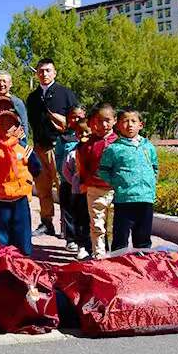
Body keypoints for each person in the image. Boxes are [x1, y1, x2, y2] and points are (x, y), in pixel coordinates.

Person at [0, 110, 41, 256]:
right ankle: (2, 262)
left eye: (10, 123)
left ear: (17, 127)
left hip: (19, 198)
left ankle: (22, 262)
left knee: (21, 233)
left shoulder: (24, 149)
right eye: (1, 123)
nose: (5, 126)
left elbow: (36, 167)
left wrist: (27, 182)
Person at [25, 58, 79, 236]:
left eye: (48, 70)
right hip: (40, 148)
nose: (44, 74)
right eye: (41, 71)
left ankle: (67, 228)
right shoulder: (32, 98)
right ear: (36, 74)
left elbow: (77, 119)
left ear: (54, 73)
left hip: (60, 147)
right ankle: (46, 223)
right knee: (43, 189)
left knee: (64, 188)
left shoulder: (65, 93)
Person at [99, 108, 158, 252]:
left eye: (133, 121)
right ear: (118, 125)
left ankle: (142, 262)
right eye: (125, 121)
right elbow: (103, 170)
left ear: (141, 125)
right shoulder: (113, 148)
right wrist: (117, 183)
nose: (130, 125)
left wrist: (150, 185)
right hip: (124, 199)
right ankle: (118, 264)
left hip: (145, 199)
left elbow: (155, 168)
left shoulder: (148, 147)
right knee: (120, 238)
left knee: (143, 238)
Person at [77, 103, 118, 259]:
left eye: (107, 120)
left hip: (115, 191)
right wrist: (84, 182)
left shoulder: (119, 143)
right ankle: (98, 256)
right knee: (97, 225)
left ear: (115, 120)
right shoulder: (88, 144)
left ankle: (113, 256)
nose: (103, 124)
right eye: (99, 121)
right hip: (95, 190)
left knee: (113, 226)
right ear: (93, 122)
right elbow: (82, 166)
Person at [54, 106, 86, 253]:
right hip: (68, 181)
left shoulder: (90, 134)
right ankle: (71, 239)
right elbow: (59, 159)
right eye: (73, 116)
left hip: (86, 183)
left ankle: (85, 241)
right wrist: (68, 177)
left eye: (80, 116)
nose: (76, 119)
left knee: (83, 213)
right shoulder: (63, 138)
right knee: (68, 211)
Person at [61, 117, 92, 259]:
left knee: (95, 220)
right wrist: (75, 182)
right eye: (80, 132)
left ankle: (96, 246)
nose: (84, 135)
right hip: (78, 192)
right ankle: (82, 246)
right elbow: (66, 170)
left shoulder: (97, 150)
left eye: (87, 132)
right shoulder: (73, 152)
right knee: (80, 219)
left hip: (94, 191)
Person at [0, 71, 29, 140]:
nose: (1, 84)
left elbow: (24, 124)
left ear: (10, 84)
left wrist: (24, 141)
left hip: (12, 141)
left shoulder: (17, 102)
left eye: (4, 81)